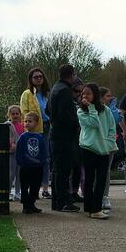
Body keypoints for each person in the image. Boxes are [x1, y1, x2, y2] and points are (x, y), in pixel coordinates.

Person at [77, 82, 116, 219]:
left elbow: (111, 127)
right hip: (88, 148)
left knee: (101, 180)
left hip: (104, 149)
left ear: (95, 95)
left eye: (88, 93)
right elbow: (93, 123)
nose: (85, 96)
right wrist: (91, 107)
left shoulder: (106, 110)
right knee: (89, 179)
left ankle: (97, 208)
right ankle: (90, 208)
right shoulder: (81, 111)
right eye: (83, 93)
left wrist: (110, 142)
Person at [48, 64, 81, 211]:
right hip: (64, 136)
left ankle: (57, 201)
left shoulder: (55, 88)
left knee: (57, 169)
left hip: (55, 133)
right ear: (72, 75)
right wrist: (76, 124)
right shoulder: (65, 91)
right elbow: (66, 115)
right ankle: (63, 201)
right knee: (63, 170)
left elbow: (47, 110)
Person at [20, 68, 52, 198]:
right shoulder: (27, 94)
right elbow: (24, 112)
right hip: (34, 130)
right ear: (31, 80)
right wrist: (28, 128)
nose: (39, 79)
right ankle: (30, 189)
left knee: (46, 158)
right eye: (35, 77)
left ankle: (45, 189)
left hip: (47, 127)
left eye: (40, 76)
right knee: (32, 158)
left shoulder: (46, 94)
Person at [14, 112, 49, 213]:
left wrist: (43, 161)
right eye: (25, 121)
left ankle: (32, 204)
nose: (27, 123)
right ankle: (26, 206)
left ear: (36, 123)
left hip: (37, 167)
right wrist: (20, 161)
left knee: (35, 186)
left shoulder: (40, 137)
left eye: (30, 121)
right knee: (25, 186)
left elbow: (43, 150)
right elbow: (19, 150)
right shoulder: (23, 137)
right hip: (26, 166)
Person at [6, 104, 25, 201]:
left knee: (20, 174)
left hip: (20, 153)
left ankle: (18, 193)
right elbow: (5, 138)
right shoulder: (7, 125)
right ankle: (8, 192)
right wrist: (11, 145)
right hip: (11, 153)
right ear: (9, 115)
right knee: (11, 174)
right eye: (13, 114)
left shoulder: (23, 126)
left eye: (17, 113)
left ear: (20, 114)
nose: (15, 115)